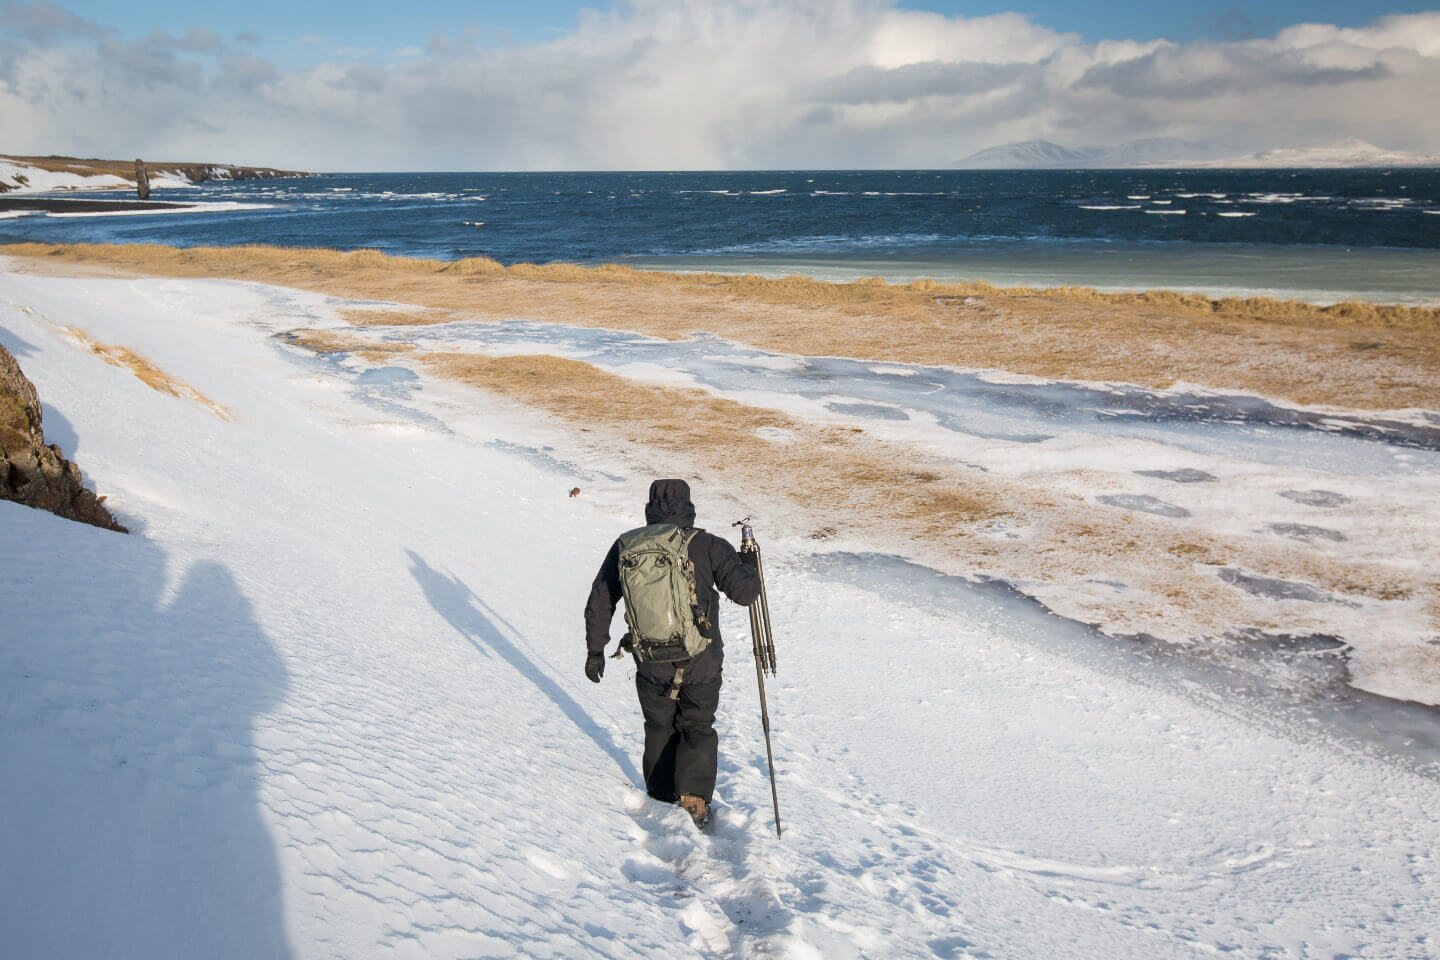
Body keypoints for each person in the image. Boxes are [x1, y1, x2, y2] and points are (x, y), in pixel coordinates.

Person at [584, 479, 760, 827]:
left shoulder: (626, 545)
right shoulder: (709, 545)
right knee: (697, 724)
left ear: (649, 508)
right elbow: (744, 594)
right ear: (688, 507)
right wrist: (749, 563)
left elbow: (600, 599)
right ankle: (693, 799)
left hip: (652, 661)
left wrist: (596, 650)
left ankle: (661, 795)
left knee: (659, 725)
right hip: (703, 662)